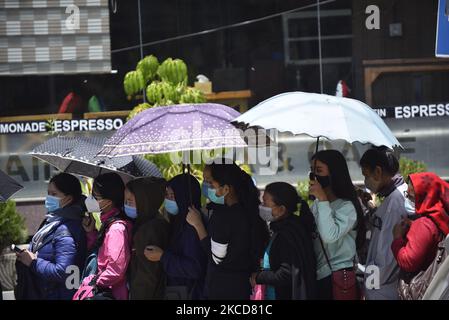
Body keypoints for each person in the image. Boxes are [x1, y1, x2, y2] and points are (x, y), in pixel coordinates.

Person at [186, 161, 269, 300]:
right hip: (242, 286)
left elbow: (216, 258)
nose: (206, 186)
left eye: (210, 182)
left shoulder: (224, 216)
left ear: (226, 189)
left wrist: (198, 225)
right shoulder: (248, 210)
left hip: (224, 289)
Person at [15, 173, 87, 300]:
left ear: (68, 199)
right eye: (48, 193)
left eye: (54, 194)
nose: (48, 198)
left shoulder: (66, 229)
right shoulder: (52, 222)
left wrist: (33, 262)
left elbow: (63, 271)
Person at [308, 150, 365, 300]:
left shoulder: (347, 207)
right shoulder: (316, 205)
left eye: (319, 170)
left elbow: (329, 235)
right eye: (312, 170)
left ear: (334, 173)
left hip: (338, 275)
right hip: (319, 274)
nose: (314, 175)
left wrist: (322, 200)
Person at [250, 182, 317, 300]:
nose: (261, 206)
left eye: (265, 203)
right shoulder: (288, 227)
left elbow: (285, 274)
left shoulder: (286, 234)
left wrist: (259, 277)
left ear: (281, 209)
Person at [144, 174, 207, 299]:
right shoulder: (178, 221)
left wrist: (163, 256)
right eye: (166, 195)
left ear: (183, 196)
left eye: (172, 196)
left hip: (190, 293)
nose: (168, 199)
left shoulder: (192, 226)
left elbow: (194, 268)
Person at [359, 146, 409, 300]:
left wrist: (371, 285)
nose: (365, 181)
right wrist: (371, 208)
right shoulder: (394, 195)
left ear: (378, 172)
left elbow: (385, 256)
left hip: (383, 289)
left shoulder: (395, 201)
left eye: (366, 175)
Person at [78, 173, 133, 300]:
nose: (90, 199)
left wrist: (93, 281)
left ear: (108, 201)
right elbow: (101, 253)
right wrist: (91, 232)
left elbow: (116, 271)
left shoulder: (116, 229)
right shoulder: (109, 223)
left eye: (95, 197)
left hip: (111, 294)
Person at [392, 172, 449, 275]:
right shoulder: (442, 216)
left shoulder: (424, 224)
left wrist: (397, 238)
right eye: (406, 195)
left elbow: (408, 262)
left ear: (426, 197)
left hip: (423, 288)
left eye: (411, 197)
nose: (407, 200)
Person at [126, 177, 170, 300]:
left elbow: (146, 277)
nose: (126, 205)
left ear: (144, 201)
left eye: (130, 202)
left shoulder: (149, 229)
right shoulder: (155, 222)